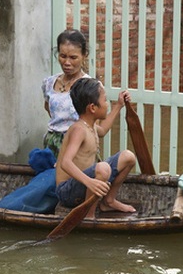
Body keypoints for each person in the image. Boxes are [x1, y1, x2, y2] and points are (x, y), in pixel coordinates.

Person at [55, 77, 137, 217]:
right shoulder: (78, 130)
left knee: (128, 157)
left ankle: (108, 201)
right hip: (68, 191)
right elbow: (65, 162)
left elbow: (103, 130)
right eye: (105, 101)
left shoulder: (90, 125)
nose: (107, 104)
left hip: (87, 184)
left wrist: (119, 105)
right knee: (103, 168)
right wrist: (89, 182)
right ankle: (89, 215)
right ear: (93, 108)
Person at [41, 29, 91, 157]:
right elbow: (49, 109)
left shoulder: (90, 86)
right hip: (52, 146)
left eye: (73, 57)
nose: (67, 62)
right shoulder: (49, 83)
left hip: (78, 147)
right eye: (63, 56)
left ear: (84, 55)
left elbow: (96, 124)